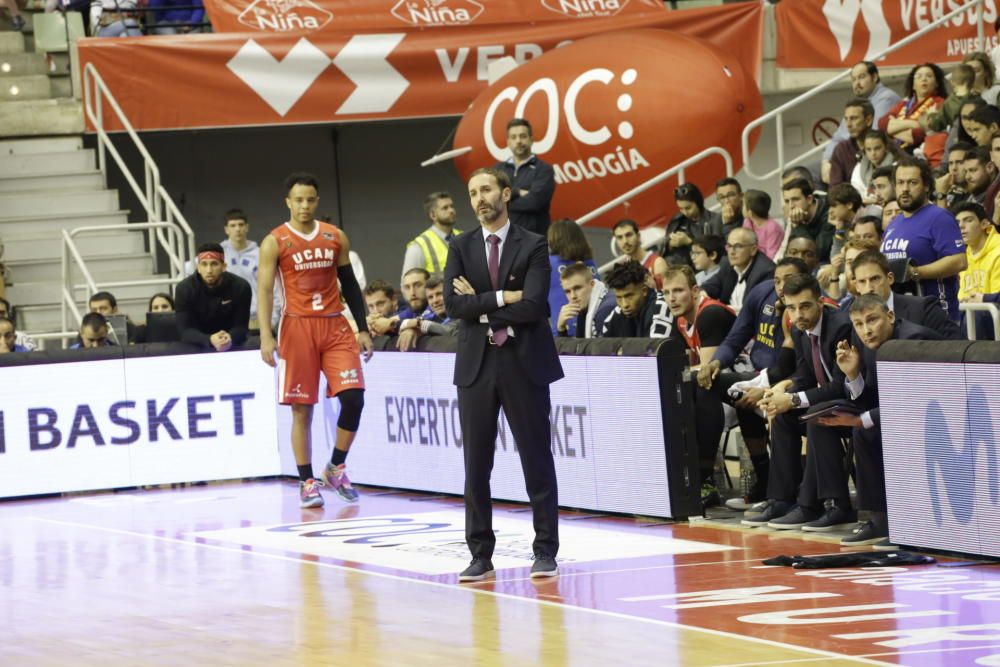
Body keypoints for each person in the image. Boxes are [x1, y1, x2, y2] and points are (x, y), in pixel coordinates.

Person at [443, 166, 563, 582]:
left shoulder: (532, 243)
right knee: (477, 465)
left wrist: (481, 303)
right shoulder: (459, 245)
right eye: (473, 191)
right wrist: (500, 297)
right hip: (476, 366)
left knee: (536, 458)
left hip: (523, 360)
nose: (479, 198)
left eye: (487, 189)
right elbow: (452, 307)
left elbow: (534, 307)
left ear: (506, 194)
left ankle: (545, 550)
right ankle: (480, 554)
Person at [257, 173, 373, 509]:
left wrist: (362, 328)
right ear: (288, 202)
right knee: (301, 410)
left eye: (310, 199)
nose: (304, 205)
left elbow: (349, 284)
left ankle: (335, 466)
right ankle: (307, 480)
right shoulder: (275, 241)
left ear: (317, 201)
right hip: (296, 328)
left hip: (335, 326)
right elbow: (264, 291)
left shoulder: (334, 236)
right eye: (298, 200)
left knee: (354, 398)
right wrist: (266, 334)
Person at [823, 294, 944, 547]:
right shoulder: (869, 345)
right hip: (908, 417)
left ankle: (911, 521)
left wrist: (860, 420)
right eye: (858, 324)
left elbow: (914, 402)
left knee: (867, 430)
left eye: (872, 320)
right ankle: (879, 519)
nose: (866, 330)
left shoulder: (913, 340)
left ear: (890, 316)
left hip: (941, 420)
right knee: (863, 430)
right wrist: (853, 374)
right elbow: (874, 398)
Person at [696, 257, 811, 506]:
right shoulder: (761, 293)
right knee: (706, 383)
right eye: (777, 280)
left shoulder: (804, 310)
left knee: (752, 394)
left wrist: (765, 387)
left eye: (788, 280)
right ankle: (708, 479)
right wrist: (715, 363)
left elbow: (798, 368)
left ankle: (789, 487)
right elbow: (735, 337)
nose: (781, 287)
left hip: (790, 382)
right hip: (762, 375)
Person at [742, 274, 853, 529]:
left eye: (805, 306)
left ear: (820, 302)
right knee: (783, 417)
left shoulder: (840, 326)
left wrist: (792, 399)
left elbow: (840, 387)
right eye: (791, 308)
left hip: (853, 400)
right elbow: (804, 377)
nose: (798, 314)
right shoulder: (798, 329)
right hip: (827, 402)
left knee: (814, 414)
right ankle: (782, 499)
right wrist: (780, 394)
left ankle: (826, 505)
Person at [661, 264, 736, 505]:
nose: (671, 298)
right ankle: (684, 475)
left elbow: (706, 370)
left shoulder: (710, 313)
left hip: (748, 377)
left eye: (678, 291)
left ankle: (704, 479)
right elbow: (675, 367)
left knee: (701, 387)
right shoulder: (681, 319)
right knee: (678, 392)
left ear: (695, 291)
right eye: (666, 292)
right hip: (723, 385)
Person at [881, 157, 967, 322]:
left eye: (912, 182)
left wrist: (915, 273)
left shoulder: (939, 217)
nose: (905, 189)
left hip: (938, 317)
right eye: (900, 182)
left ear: (926, 186)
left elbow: (959, 261)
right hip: (901, 319)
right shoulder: (893, 224)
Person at [822, 61, 901, 183]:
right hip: (848, 150)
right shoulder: (855, 105)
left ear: (874, 77)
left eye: (861, 77)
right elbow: (838, 137)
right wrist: (826, 160)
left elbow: (873, 131)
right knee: (807, 172)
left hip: (870, 152)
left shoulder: (887, 98)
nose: (856, 84)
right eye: (853, 80)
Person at [174, 243, 252, 352]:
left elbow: (241, 326)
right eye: (204, 264)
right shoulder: (184, 289)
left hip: (230, 345)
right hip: (196, 348)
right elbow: (184, 331)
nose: (209, 270)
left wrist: (230, 338)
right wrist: (210, 339)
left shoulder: (240, 286)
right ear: (198, 268)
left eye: (214, 264)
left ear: (224, 267)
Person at [495, 118, 556, 236]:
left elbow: (534, 202)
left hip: (534, 243)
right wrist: (517, 192)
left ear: (531, 139)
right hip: (503, 241)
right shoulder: (497, 170)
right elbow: (491, 201)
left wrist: (502, 202)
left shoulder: (544, 170)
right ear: (508, 142)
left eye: (523, 136)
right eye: (513, 137)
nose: (518, 141)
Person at [218, 209, 275, 332]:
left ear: (247, 227)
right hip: (225, 319)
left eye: (241, 225)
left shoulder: (260, 254)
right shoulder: (218, 254)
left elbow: (273, 286)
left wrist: (273, 318)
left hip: (255, 319)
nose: (237, 229)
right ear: (226, 229)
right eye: (233, 225)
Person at [878, 63, 947, 153]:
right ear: (913, 85)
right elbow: (882, 124)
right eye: (919, 76)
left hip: (920, 153)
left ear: (937, 83)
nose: (924, 79)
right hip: (895, 152)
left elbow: (919, 135)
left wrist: (892, 130)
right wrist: (912, 123)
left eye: (929, 76)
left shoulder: (940, 103)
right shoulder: (904, 103)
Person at [954, 201, 1000, 337]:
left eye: (968, 220)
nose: (961, 226)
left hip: (992, 317)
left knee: (976, 315)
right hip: (972, 318)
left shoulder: (998, 251)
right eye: (957, 223)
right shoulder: (963, 257)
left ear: (984, 224)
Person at [702, 228, 776, 312]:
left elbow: (763, 309)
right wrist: (703, 294)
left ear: (753, 249)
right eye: (729, 246)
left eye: (738, 246)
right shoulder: (728, 264)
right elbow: (711, 285)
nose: (732, 252)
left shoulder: (765, 271)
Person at [546, 218, 597, 337]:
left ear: (554, 239)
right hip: (592, 331)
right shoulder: (590, 263)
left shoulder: (547, 263)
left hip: (563, 332)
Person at [600, 260, 673, 338]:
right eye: (619, 298)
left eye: (629, 296)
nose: (625, 305)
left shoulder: (661, 307)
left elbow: (655, 349)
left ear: (644, 290)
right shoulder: (618, 313)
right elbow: (600, 346)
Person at [401, 191, 460, 281]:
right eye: (445, 208)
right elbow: (408, 284)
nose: (451, 210)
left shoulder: (464, 237)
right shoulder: (418, 246)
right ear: (433, 215)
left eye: (452, 206)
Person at [666, 183, 723, 266]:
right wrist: (671, 244)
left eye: (688, 208)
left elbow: (715, 251)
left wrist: (689, 242)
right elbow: (664, 243)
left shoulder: (714, 220)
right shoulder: (678, 220)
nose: (685, 212)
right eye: (681, 208)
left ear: (698, 202)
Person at [555, 262, 615, 339]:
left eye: (577, 288)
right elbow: (577, 348)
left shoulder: (606, 308)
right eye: (567, 291)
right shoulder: (584, 308)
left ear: (592, 284)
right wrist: (561, 328)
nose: (573, 296)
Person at [396, 275, 456, 350]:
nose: (435, 301)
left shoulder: (462, 313)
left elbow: (450, 331)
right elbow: (415, 323)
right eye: (430, 297)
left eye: (439, 294)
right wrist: (411, 330)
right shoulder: (430, 315)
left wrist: (419, 324)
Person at [781, 178, 834, 263]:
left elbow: (816, 253)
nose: (791, 206)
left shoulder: (829, 211)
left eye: (795, 199)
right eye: (787, 201)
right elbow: (789, 252)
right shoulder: (797, 216)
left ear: (809, 199)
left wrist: (798, 226)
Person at [829, 98, 875, 187]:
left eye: (854, 118)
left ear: (868, 120)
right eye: (846, 119)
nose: (848, 125)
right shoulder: (841, 150)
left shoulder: (887, 144)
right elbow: (835, 188)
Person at [612, 218, 667, 284]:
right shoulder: (623, 267)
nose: (625, 241)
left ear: (638, 236)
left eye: (629, 235)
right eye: (620, 237)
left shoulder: (657, 263)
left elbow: (666, 292)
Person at [851, 130, 898, 203]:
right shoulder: (859, 168)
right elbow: (855, 194)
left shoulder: (896, 167)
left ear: (886, 147)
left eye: (877, 148)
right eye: (869, 149)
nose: (873, 153)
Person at [741, 190, 783, 260]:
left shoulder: (772, 228)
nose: (741, 208)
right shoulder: (748, 222)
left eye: (743, 205)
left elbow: (771, 255)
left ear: (750, 213)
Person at [935, 142, 974, 209]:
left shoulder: (976, 195)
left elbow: (942, 219)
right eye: (950, 163)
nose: (954, 168)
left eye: (959, 162)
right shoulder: (951, 192)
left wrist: (941, 195)